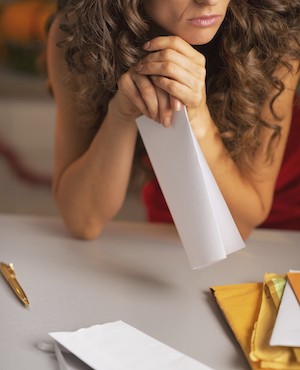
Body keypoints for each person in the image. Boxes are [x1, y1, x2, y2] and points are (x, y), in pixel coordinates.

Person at [46, 0, 300, 240]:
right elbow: (82, 221)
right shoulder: (78, 35)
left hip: (284, 230)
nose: (209, 1)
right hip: (175, 217)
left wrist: (198, 117)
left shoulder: (277, 36)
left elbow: (240, 224)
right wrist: (121, 115)